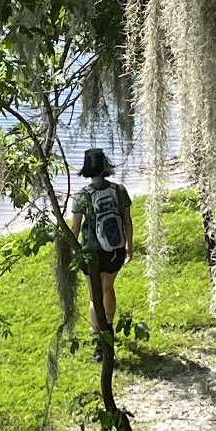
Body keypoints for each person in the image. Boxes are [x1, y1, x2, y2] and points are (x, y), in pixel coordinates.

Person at [70, 147, 133, 361]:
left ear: (86, 170)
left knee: (93, 296)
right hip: (114, 249)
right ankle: (110, 329)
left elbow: (76, 228)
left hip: (90, 253)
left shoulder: (81, 196)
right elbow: (127, 221)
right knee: (108, 289)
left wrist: (71, 253)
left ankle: (100, 341)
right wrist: (129, 246)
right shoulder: (119, 190)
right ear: (106, 166)